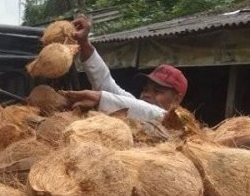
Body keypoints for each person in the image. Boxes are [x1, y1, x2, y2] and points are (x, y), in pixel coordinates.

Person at [60, 13, 188, 121]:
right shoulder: (135, 108)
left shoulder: (183, 125)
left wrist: (102, 98)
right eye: (146, 89)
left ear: (177, 99)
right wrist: (84, 43)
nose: (147, 95)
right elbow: (105, 83)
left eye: (158, 91)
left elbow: (158, 115)